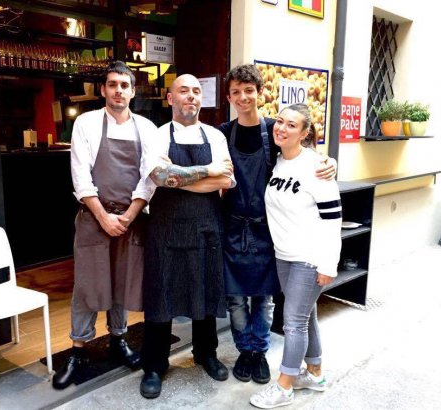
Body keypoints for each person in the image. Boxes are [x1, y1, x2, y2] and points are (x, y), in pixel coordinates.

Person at [218, 64, 336, 386]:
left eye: (249, 90)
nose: (243, 97)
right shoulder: (222, 133)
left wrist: (328, 161)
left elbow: (304, 154)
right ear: (229, 96)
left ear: (259, 92)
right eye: (236, 92)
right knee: (235, 299)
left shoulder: (273, 129)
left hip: (266, 231)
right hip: (233, 228)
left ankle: (260, 351)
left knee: (264, 298)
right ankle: (245, 350)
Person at [52, 61, 157, 390]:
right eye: (112, 85)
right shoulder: (86, 123)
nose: (118, 91)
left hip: (132, 219)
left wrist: (128, 216)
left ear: (133, 91)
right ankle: (78, 349)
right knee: (87, 286)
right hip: (94, 218)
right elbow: (81, 177)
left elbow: (150, 177)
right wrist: (104, 217)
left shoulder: (147, 128)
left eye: (124, 85)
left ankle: (119, 340)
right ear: (103, 90)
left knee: (122, 283)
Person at [139, 74, 235, 399]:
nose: (191, 96)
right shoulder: (156, 135)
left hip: (207, 226)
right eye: (184, 91)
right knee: (161, 294)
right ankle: (154, 365)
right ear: (170, 98)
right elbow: (159, 176)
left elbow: (227, 180)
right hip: (165, 230)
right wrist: (208, 171)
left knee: (205, 288)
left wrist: (179, 178)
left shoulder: (215, 135)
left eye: (196, 91)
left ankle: (206, 353)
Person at [250, 103, 342, 408]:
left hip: (310, 255)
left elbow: (333, 220)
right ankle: (314, 373)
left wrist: (329, 263)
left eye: (292, 125)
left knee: (293, 321)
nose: (282, 128)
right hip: (284, 255)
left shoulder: (317, 167)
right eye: (279, 121)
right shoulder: (277, 162)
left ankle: (285, 386)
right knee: (306, 314)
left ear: (304, 133)